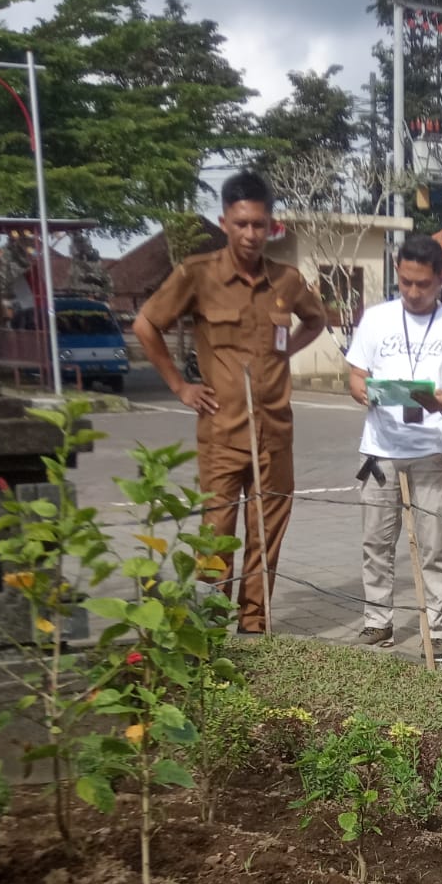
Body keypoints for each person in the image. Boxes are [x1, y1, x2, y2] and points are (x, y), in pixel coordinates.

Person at [132, 171, 326, 634]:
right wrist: (180, 386)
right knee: (217, 531)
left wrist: (286, 352)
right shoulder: (198, 274)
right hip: (221, 432)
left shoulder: (287, 279)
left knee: (266, 532)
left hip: (275, 431)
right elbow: (145, 325)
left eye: (259, 224)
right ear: (225, 222)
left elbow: (315, 320)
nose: (250, 234)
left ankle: (254, 624)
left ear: (270, 225)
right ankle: (214, 623)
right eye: (241, 224)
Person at [346, 235, 442, 665]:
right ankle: (377, 621)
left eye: (422, 284)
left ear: (441, 278)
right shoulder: (377, 319)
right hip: (380, 450)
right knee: (375, 542)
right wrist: (366, 394)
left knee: (435, 545)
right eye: (404, 282)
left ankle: (434, 630)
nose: (413, 292)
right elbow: (355, 378)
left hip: (430, 452)